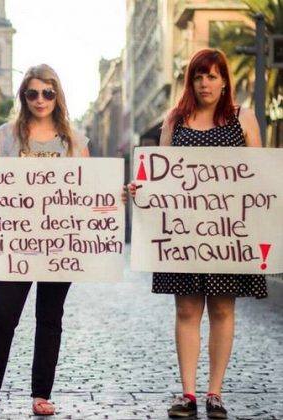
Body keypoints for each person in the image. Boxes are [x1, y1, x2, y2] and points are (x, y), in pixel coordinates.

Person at [128, 48, 266, 419]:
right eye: (198, 76)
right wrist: (141, 188)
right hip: (183, 234)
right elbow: (159, 174)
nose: (204, 83)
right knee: (187, 309)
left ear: (224, 81)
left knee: (222, 308)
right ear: (190, 82)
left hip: (228, 234)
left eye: (212, 76)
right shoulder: (176, 119)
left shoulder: (242, 118)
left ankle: (215, 393)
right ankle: (188, 393)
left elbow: (260, 174)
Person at [0, 64, 93, 416]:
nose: (40, 99)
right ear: (23, 96)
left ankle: (41, 395)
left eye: (48, 93)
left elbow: (89, 191)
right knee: (3, 317)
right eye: (32, 93)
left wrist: (111, 198)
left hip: (59, 243)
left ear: (57, 95)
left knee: (50, 318)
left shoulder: (75, 141)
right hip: (14, 244)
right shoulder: (6, 136)